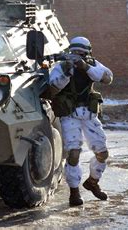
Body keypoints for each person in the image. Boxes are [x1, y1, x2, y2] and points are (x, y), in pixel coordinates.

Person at [48, 36, 113, 206]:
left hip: (89, 115)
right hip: (70, 115)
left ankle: (92, 182)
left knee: (102, 153)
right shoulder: (61, 66)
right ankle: (74, 192)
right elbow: (52, 88)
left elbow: (107, 78)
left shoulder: (92, 63)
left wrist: (86, 67)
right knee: (74, 153)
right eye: (74, 52)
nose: (77, 55)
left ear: (87, 53)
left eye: (81, 53)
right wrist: (67, 73)